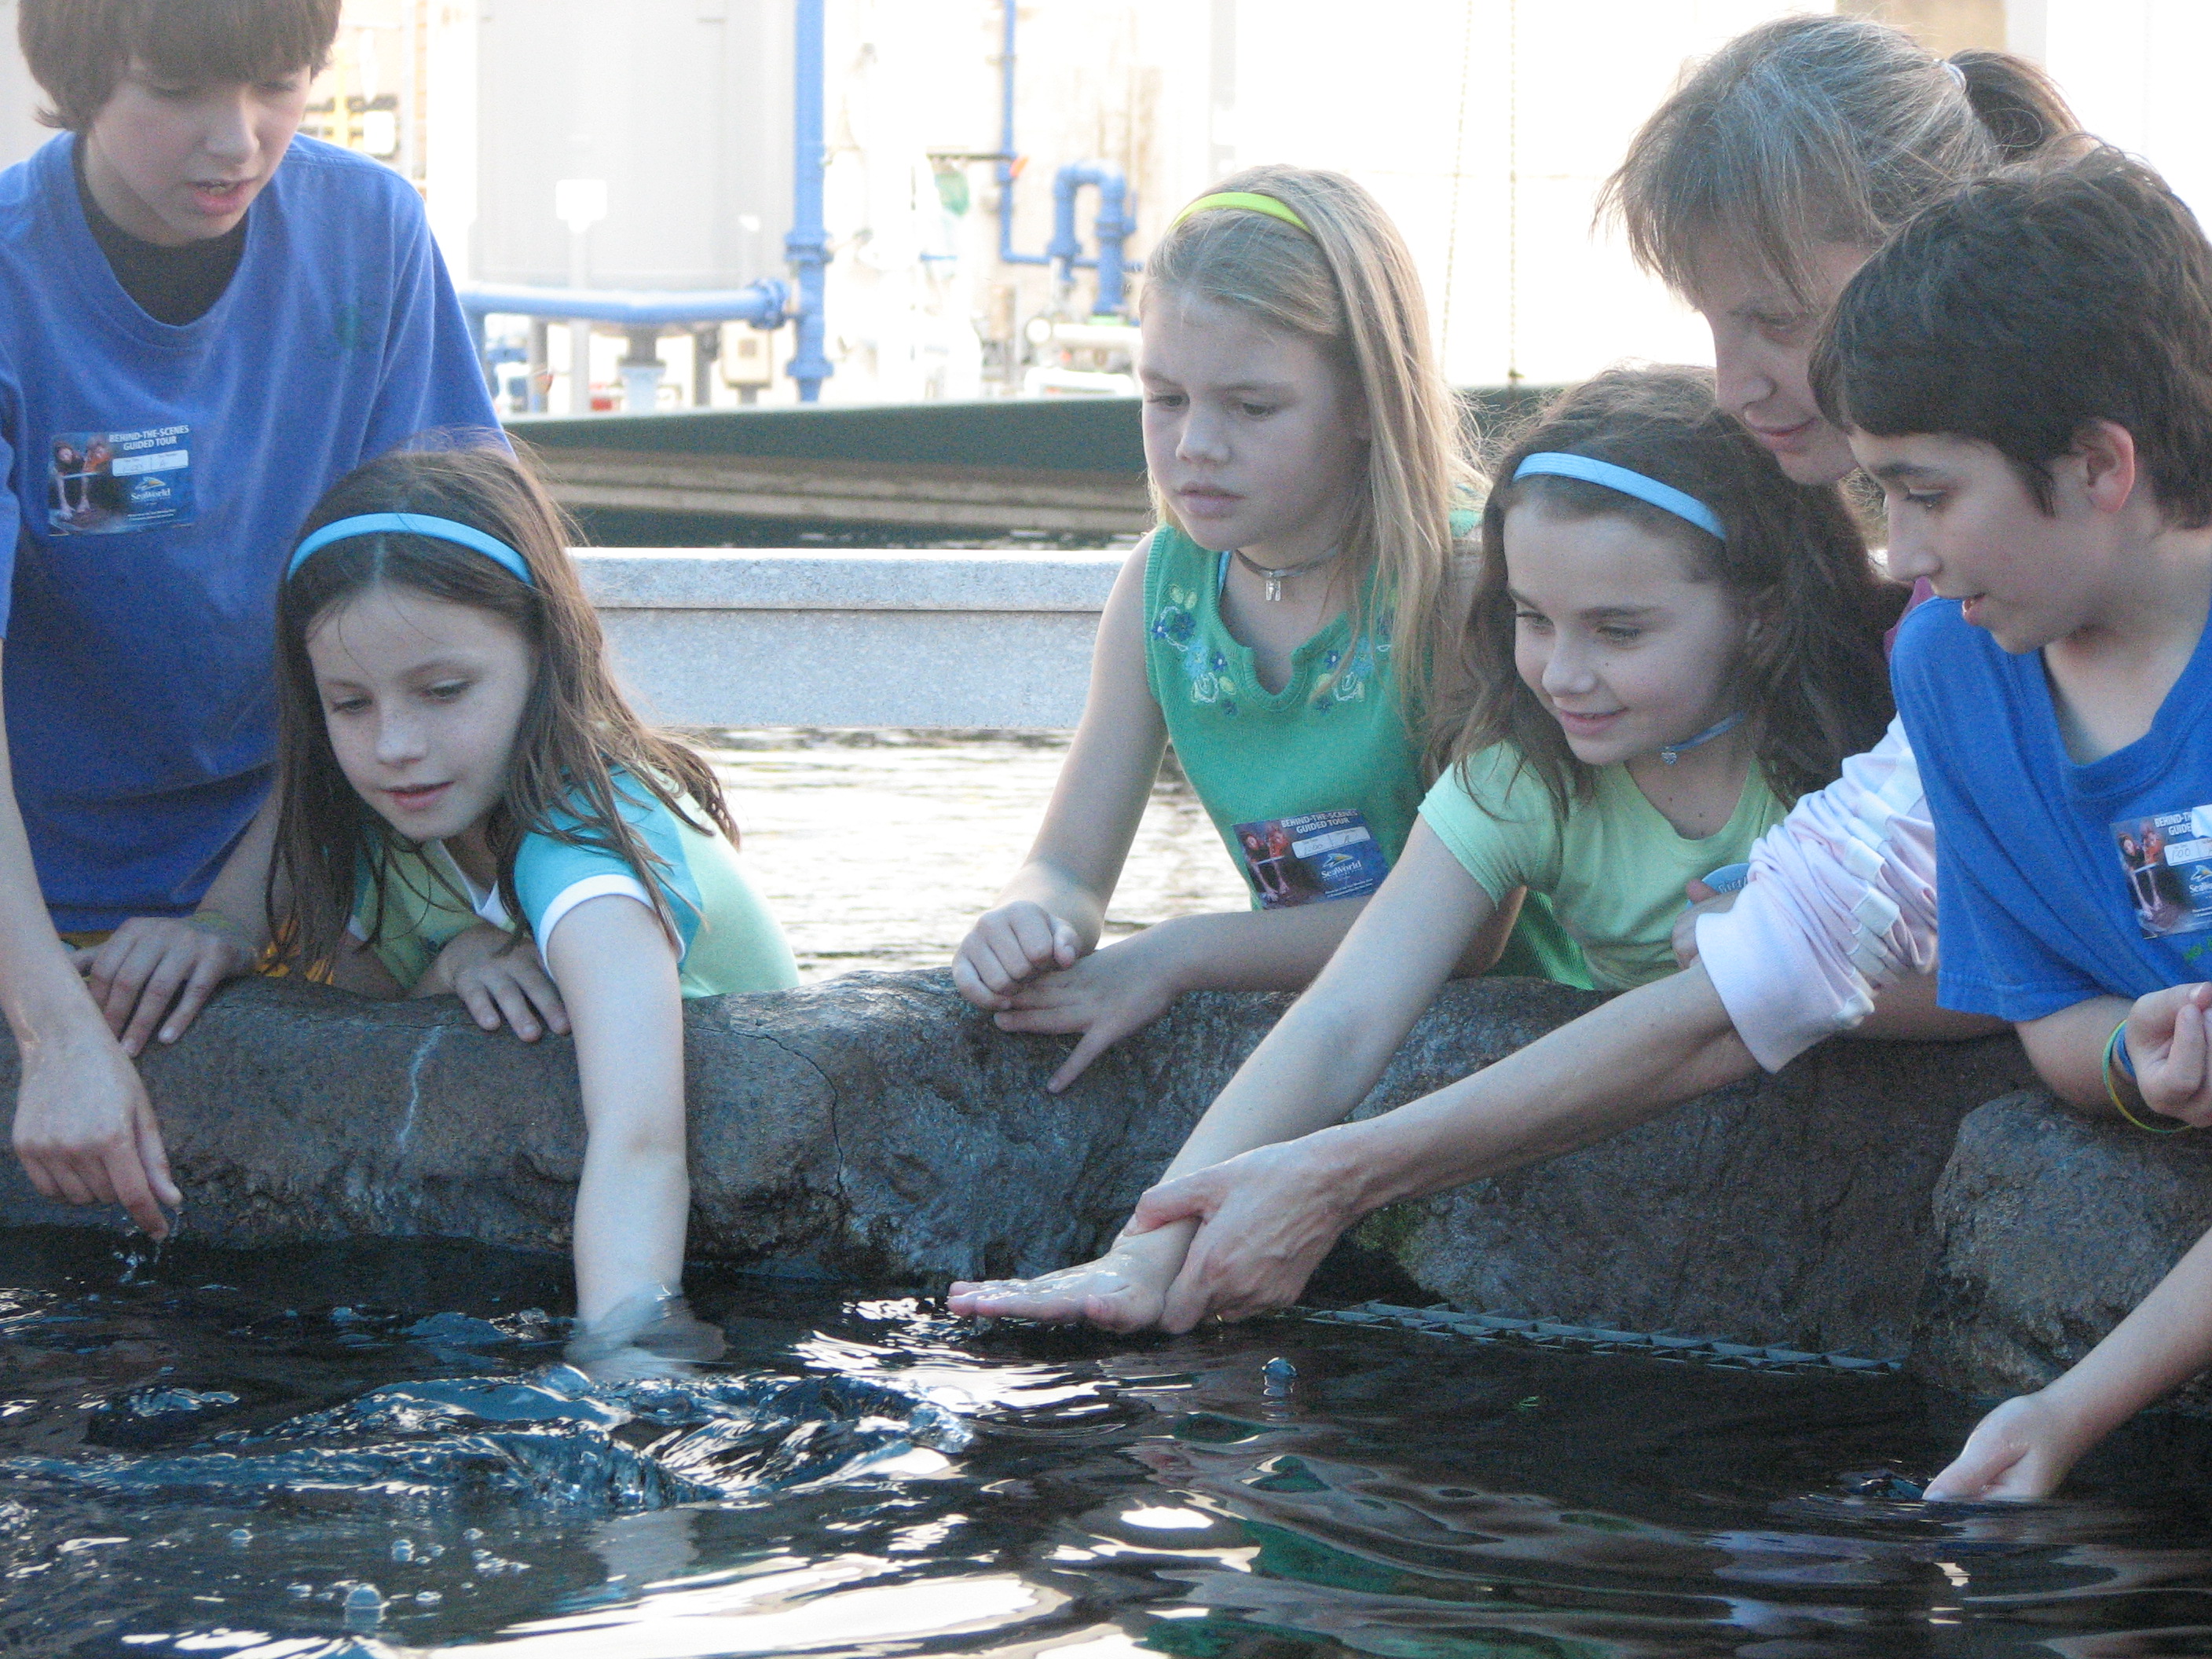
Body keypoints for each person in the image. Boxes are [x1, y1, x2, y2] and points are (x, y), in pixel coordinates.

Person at [945, 14, 2084, 1332]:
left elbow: (1813, 978)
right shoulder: (1940, 629)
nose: (1733, 380)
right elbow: (1902, 952)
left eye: (1774, 318)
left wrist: (1324, 1171)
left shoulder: (1970, 620)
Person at [951, 365, 1899, 1324]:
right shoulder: (1519, 777)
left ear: (1760, 612)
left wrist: (1782, 931)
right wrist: (1144, 1254)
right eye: (1532, 619)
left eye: (1618, 631)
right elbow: (1342, 1020)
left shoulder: (1862, 769)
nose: (1562, 675)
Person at [2, 0, 499, 1240]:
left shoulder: (367, 234)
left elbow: (456, 621)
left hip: (315, 856)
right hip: (41, 886)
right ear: (78, 72)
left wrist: (242, 910)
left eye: (283, 85)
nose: (239, 141)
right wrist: (54, 1030)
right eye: (177, 91)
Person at [952, 165, 1588, 1097]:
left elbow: (1466, 931)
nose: (1193, 444)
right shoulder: (1158, 593)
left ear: (1369, 401)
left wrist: (1173, 955)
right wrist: (1029, 918)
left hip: (1516, 1047)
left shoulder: (1463, 585)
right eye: (1163, 398)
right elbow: (1066, 867)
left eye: (1250, 407)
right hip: (1314, 1040)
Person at [1800, 152, 2212, 1498]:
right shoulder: (1949, 672)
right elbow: (2041, 1010)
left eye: (1927, 493)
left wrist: (2072, 1409)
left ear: (2098, 462)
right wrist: (2133, 1059)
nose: (1902, 553)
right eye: (1879, 497)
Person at [269, 445, 797, 1361]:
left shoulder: (584, 840)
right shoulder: (385, 839)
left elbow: (641, 1144)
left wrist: (627, 1378)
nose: (395, 744)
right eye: (349, 704)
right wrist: (452, 963)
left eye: (443, 691)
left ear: (543, 655)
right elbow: (352, 1048)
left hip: (759, 1252)